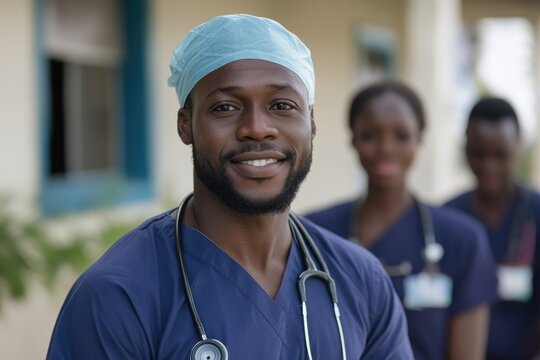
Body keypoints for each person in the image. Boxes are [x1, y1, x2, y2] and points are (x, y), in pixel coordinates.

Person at [46, 14, 413, 359]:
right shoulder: (119, 295)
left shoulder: (361, 281)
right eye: (225, 107)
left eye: (282, 105)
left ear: (311, 123)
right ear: (185, 125)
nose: (257, 127)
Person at [305, 80, 499, 360]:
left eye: (401, 136)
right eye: (370, 135)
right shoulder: (314, 233)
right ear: (353, 139)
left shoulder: (462, 239)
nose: (386, 147)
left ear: (420, 139)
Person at [444, 97, 540, 360]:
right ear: (465, 147)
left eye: (500, 155)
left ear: (518, 146)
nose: (489, 166)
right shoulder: (446, 219)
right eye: (478, 153)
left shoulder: (534, 214)